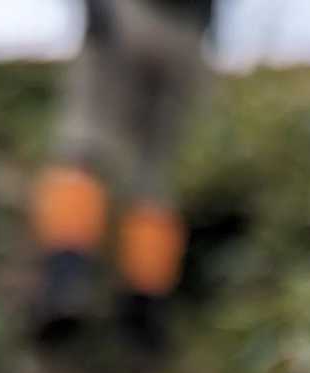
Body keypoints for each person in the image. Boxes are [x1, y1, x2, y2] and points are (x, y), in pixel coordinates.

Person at [29, 0, 214, 341]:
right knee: (156, 170)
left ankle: (66, 281)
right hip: (187, 31)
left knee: (83, 149)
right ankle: (144, 301)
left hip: (124, 17)